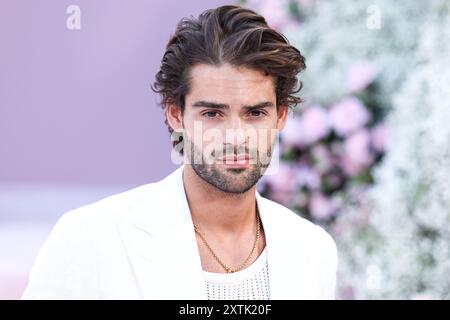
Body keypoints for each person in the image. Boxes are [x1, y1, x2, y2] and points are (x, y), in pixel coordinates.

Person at [22, 4, 337, 300]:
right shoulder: (89, 238)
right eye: (212, 114)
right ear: (176, 115)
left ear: (280, 116)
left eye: (255, 113)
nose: (236, 137)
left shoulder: (312, 249)